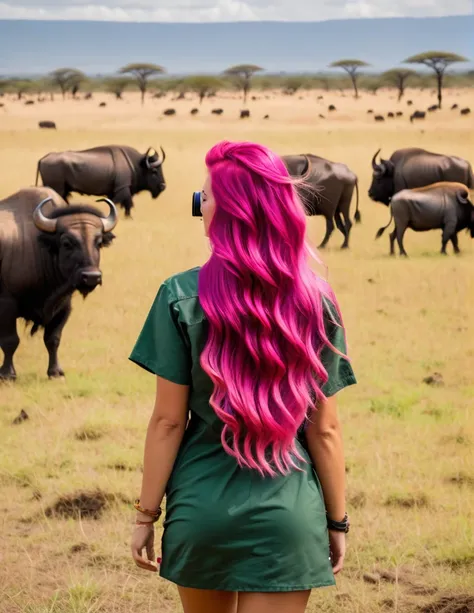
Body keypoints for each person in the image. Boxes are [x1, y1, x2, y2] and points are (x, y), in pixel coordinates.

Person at [129, 141, 356, 613]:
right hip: (289, 514)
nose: (200, 205)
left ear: (227, 210)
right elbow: (325, 429)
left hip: (201, 510)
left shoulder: (179, 295)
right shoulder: (315, 298)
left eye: (206, 197)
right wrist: (337, 522)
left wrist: (146, 515)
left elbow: (167, 423)